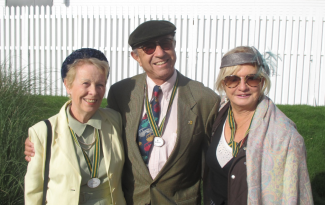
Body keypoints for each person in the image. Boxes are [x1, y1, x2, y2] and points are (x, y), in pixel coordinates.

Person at [25, 21, 220, 204]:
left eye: (166, 44)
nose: (160, 53)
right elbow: (97, 125)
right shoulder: (122, 93)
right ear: (136, 57)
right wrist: (46, 140)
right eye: (149, 48)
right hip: (131, 199)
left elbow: (212, 163)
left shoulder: (204, 99)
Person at [204, 46, 313, 205]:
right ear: (223, 83)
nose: (242, 87)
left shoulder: (286, 139)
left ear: (262, 82)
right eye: (233, 79)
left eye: (252, 79)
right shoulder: (218, 114)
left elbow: (293, 196)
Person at [24, 48, 126, 204]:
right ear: (68, 84)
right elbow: (34, 191)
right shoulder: (43, 133)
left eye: (100, 84)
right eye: (86, 83)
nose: (93, 92)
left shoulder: (116, 120)